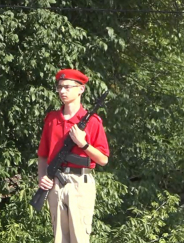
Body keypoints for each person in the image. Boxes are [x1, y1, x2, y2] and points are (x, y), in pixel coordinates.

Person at [37, 68, 110, 243]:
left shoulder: (92, 121)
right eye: (60, 87)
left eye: (68, 87)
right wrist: (42, 177)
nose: (62, 91)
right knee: (59, 239)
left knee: (79, 238)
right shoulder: (52, 119)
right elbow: (43, 155)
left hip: (81, 183)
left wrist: (83, 144)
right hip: (55, 183)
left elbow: (103, 159)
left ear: (81, 89)